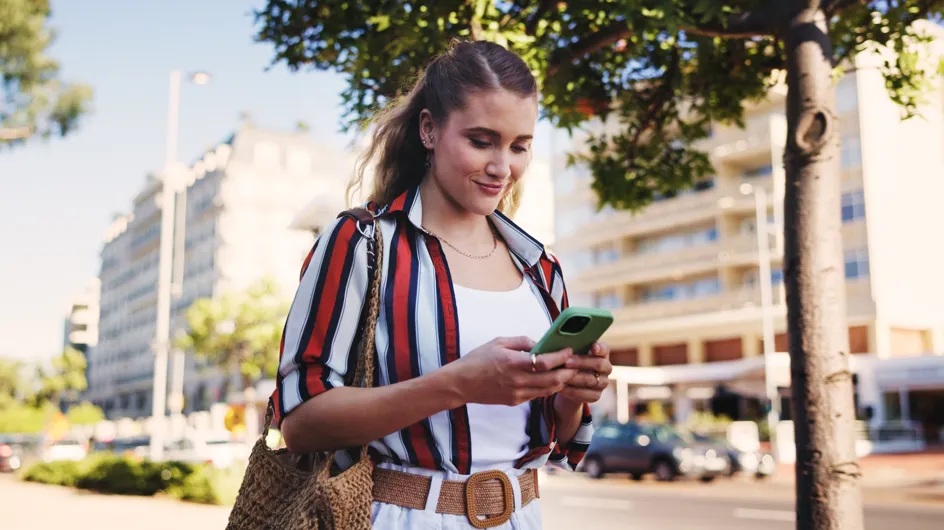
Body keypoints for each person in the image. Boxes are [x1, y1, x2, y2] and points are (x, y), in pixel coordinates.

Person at [272, 40, 613, 530]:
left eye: (520, 146)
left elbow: (557, 441)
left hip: (524, 516)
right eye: (481, 140)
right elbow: (301, 422)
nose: (503, 168)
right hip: (402, 516)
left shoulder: (542, 268)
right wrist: (457, 384)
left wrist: (573, 392)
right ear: (429, 129)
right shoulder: (362, 242)